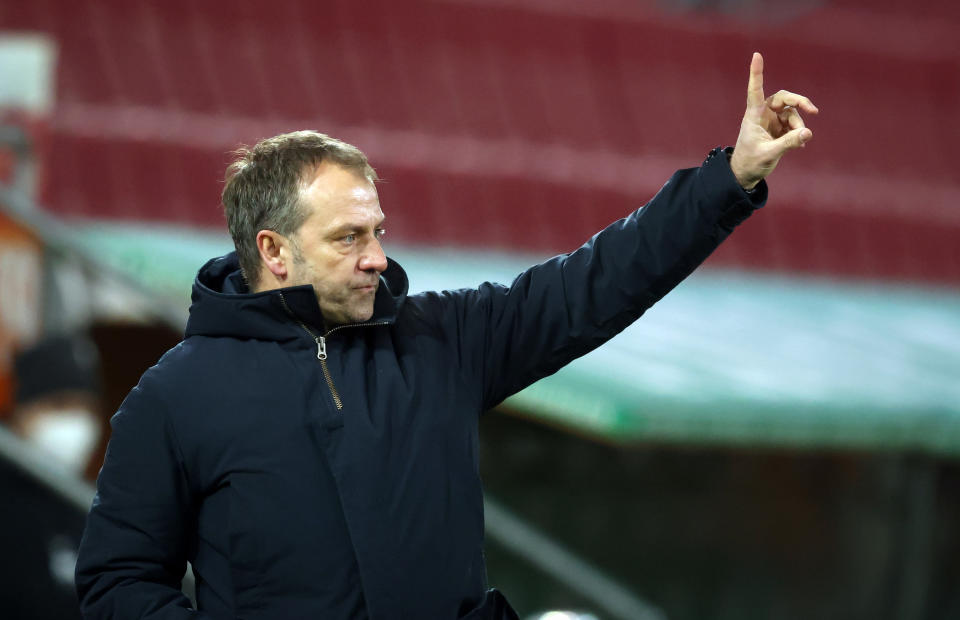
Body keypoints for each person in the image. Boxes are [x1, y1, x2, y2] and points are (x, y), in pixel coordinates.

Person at [75, 53, 817, 619]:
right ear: (273, 251)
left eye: (377, 231)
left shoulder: (443, 337)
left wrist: (733, 176)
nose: (375, 256)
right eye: (346, 238)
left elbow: (598, 281)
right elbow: (116, 581)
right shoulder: (174, 395)